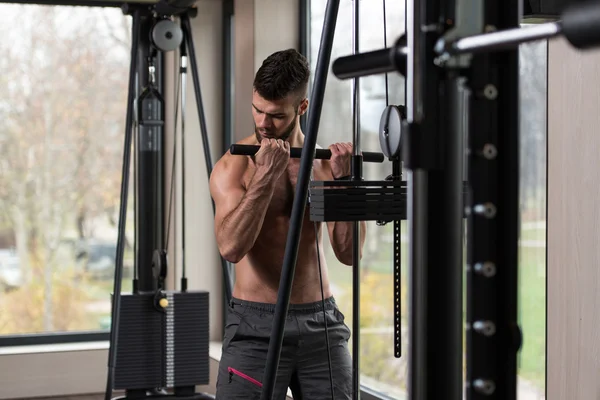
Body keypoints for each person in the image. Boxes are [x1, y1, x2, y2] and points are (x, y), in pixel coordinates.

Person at [209, 48, 367, 400]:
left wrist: (344, 187)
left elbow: (350, 253)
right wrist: (265, 177)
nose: (263, 123)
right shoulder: (233, 167)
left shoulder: (325, 165)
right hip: (254, 328)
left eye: (276, 115)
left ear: (301, 108)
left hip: (322, 324)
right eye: (258, 110)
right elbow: (231, 248)